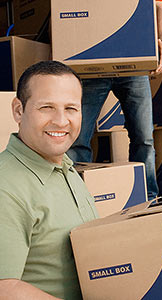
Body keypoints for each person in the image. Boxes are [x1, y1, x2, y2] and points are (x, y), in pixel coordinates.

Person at [0, 61, 98, 300]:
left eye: (71, 109)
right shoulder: (6, 186)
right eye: (47, 107)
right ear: (18, 110)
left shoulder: (64, 167)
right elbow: (4, 288)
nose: (61, 121)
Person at [67, 0, 162, 200]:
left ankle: (148, 198)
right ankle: (77, 199)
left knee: (144, 138)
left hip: (133, 65)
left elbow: (159, 6)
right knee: (77, 139)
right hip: (93, 64)